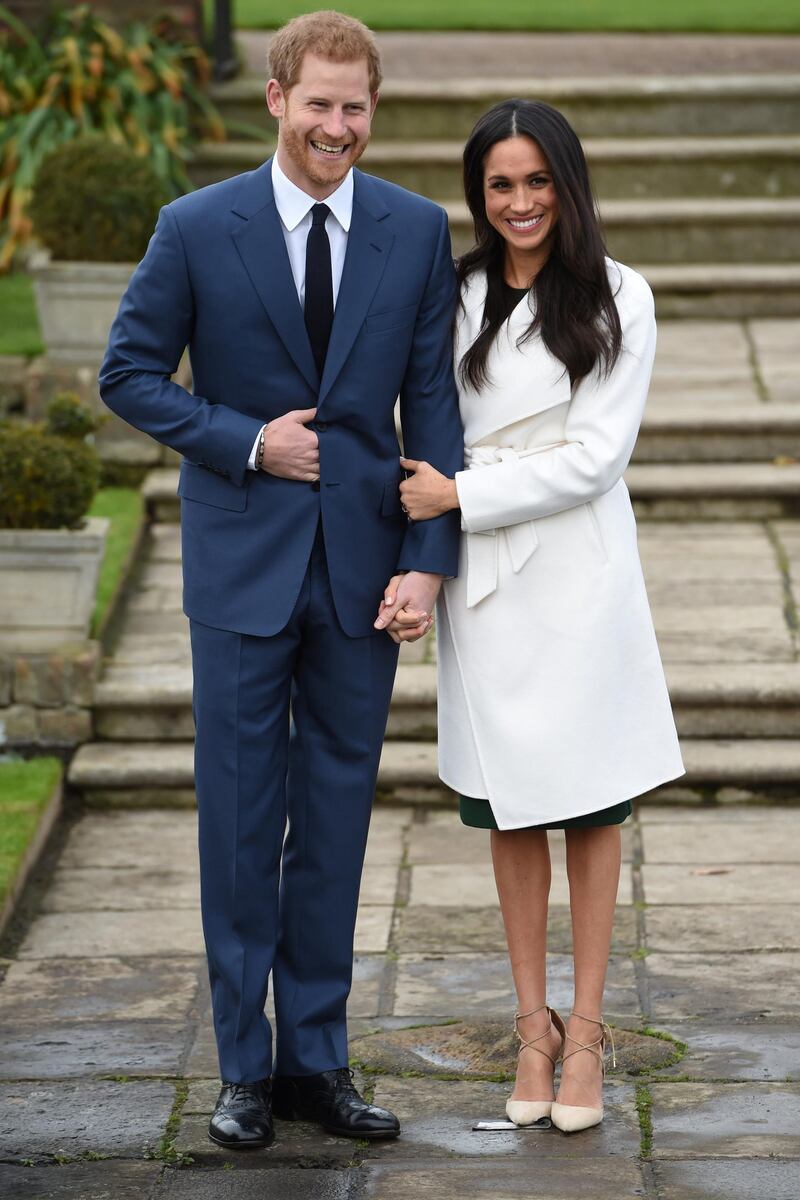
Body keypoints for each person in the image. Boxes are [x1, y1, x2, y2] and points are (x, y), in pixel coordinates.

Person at [99, 10, 463, 1149]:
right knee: (241, 822)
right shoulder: (197, 226)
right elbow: (127, 373)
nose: (337, 128)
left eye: (355, 108)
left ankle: (318, 1061)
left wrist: (427, 563)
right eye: (319, 105)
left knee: (340, 820)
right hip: (242, 566)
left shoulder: (412, 229)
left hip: (362, 576)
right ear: (275, 100)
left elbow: (434, 410)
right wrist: (250, 440)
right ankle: (243, 1070)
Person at [398, 98, 685, 1134]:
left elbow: (594, 456)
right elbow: (422, 418)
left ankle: (590, 1030)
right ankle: (530, 1026)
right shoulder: (454, 292)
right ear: (478, 196)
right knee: (505, 803)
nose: (519, 202)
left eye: (536, 180)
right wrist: (428, 539)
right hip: (486, 585)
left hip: (576, 576)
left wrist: (460, 495)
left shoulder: (618, 294)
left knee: (590, 801)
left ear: (566, 182)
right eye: (498, 185)